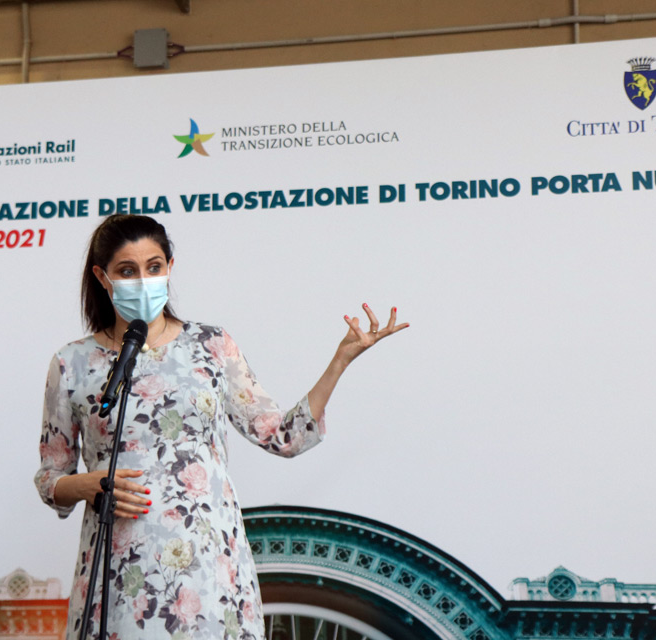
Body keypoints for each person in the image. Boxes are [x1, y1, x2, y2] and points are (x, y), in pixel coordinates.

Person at [35, 214, 408, 640]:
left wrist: (339, 361)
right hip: (121, 572)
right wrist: (87, 485)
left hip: (210, 565)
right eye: (127, 270)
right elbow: (50, 478)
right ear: (103, 277)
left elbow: (283, 436)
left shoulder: (211, 345)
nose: (143, 281)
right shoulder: (72, 362)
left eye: (153, 267)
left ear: (170, 267)